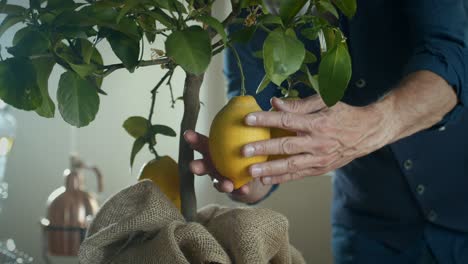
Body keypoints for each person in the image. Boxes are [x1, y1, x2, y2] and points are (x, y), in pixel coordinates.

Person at [184, 1, 468, 263]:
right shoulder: (247, 14)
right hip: (370, 234)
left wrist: (371, 125)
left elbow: (452, 58)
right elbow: (257, 129)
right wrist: (249, 174)